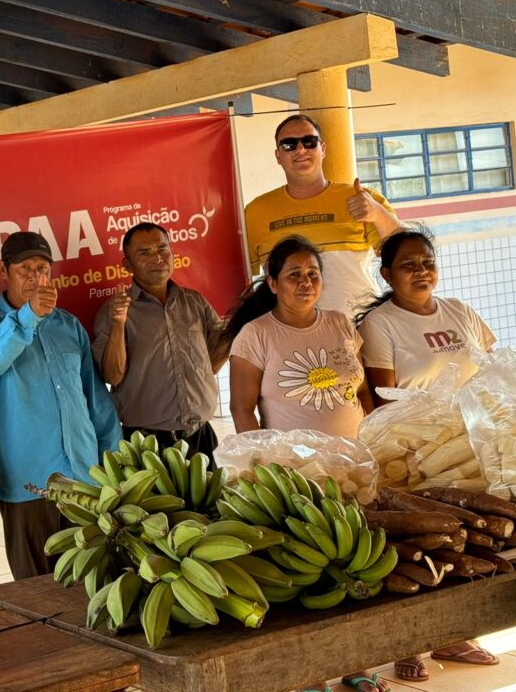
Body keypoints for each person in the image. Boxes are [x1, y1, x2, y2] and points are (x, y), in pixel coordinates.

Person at [225, 236, 383, 692]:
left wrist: (380, 441)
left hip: (356, 469)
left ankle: (360, 663)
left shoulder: (338, 324)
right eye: (294, 274)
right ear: (272, 282)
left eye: (313, 274)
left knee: (360, 571)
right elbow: (242, 409)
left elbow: (364, 392)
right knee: (309, 578)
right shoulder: (256, 335)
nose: (305, 282)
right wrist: (264, 468)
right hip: (298, 478)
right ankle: (310, 674)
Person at [356, 228, 498, 682]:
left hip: (468, 448)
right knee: (419, 550)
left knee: (465, 541)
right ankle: (410, 644)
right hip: (411, 454)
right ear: (386, 275)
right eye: (408, 265)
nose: (421, 272)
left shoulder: (459, 311)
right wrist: (417, 443)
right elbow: (379, 398)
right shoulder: (381, 324)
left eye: (427, 262)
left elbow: (494, 367)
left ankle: (455, 633)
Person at [0, 231, 122, 579]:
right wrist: (29, 316)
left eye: (43, 268)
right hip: (28, 481)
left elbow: (95, 397)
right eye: (25, 268)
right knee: (36, 586)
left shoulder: (67, 324)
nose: (36, 278)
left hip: (85, 477)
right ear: (2, 269)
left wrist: (113, 460)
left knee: (95, 580)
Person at [92, 222, 229, 465]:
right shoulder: (115, 311)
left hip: (201, 435)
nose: (157, 258)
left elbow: (213, 359)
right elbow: (112, 376)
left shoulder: (194, 301)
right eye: (144, 253)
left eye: (162, 249)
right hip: (146, 443)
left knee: (209, 503)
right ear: (127, 265)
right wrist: (118, 324)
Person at [244, 114, 401, 318]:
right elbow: (238, 277)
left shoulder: (362, 198)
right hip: (290, 336)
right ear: (278, 155)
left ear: (323, 149)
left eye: (309, 142)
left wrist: (378, 214)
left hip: (360, 328)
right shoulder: (256, 211)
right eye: (289, 145)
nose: (300, 150)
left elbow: (407, 252)